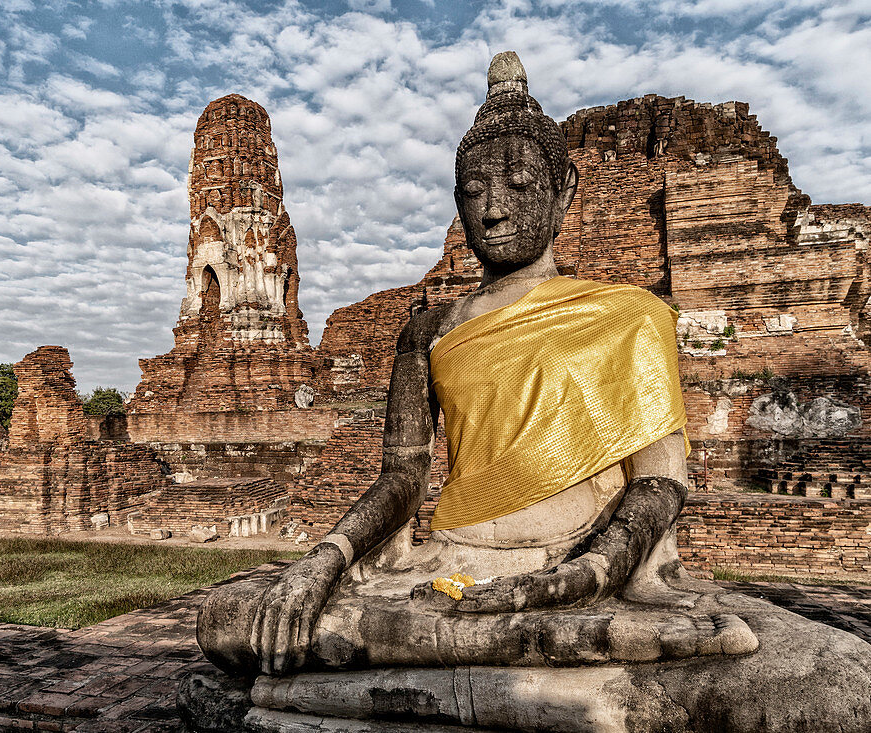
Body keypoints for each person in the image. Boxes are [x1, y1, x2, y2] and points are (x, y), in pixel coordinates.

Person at [188, 52, 871, 733]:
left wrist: (593, 571)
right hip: (447, 570)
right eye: (473, 189)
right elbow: (402, 476)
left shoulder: (632, 313)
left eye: (517, 182)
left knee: (835, 685)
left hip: (579, 569)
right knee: (231, 619)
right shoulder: (427, 328)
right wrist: (324, 558)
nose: (491, 209)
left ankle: (393, 688)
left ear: (565, 189)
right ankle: (560, 691)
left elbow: (659, 482)